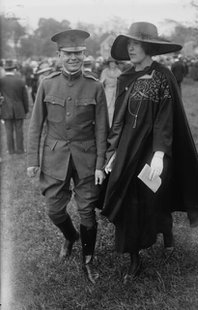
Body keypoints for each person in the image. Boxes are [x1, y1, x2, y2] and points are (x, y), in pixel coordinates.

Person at [101, 22, 198, 283]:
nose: (131, 48)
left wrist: (159, 153)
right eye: (128, 44)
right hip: (128, 151)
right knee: (128, 202)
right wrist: (113, 151)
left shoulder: (163, 76)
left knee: (154, 197)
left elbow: (166, 118)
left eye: (137, 44)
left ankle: (167, 234)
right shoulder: (125, 78)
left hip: (152, 153)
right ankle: (134, 258)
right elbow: (119, 118)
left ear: (149, 47)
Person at [27, 29, 109, 283]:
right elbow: (36, 124)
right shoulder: (47, 83)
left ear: (84, 54)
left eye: (78, 53)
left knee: (87, 211)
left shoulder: (95, 86)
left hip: (86, 158)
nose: (73, 58)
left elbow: (102, 130)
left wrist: (99, 164)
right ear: (59, 55)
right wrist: (32, 160)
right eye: (68, 54)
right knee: (54, 209)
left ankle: (88, 260)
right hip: (55, 157)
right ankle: (70, 236)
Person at [0, 59, 29, 154]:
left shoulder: (1, 81)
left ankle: (11, 150)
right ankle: (20, 149)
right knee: (19, 130)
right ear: (14, 69)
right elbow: (25, 97)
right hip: (19, 108)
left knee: (8, 131)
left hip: (6, 109)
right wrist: (26, 109)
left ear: (5, 69)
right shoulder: (20, 81)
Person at [100, 57, 121, 126]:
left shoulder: (119, 72)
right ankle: (106, 123)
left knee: (115, 107)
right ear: (108, 64)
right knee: (106, 106)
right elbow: (101, 81)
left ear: (116, 64)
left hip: (116, 91)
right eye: (111, 63)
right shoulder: (105, 71)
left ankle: (113, 124)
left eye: (114, 63)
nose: (112, 64)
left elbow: (121, 82)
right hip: (107, 91)